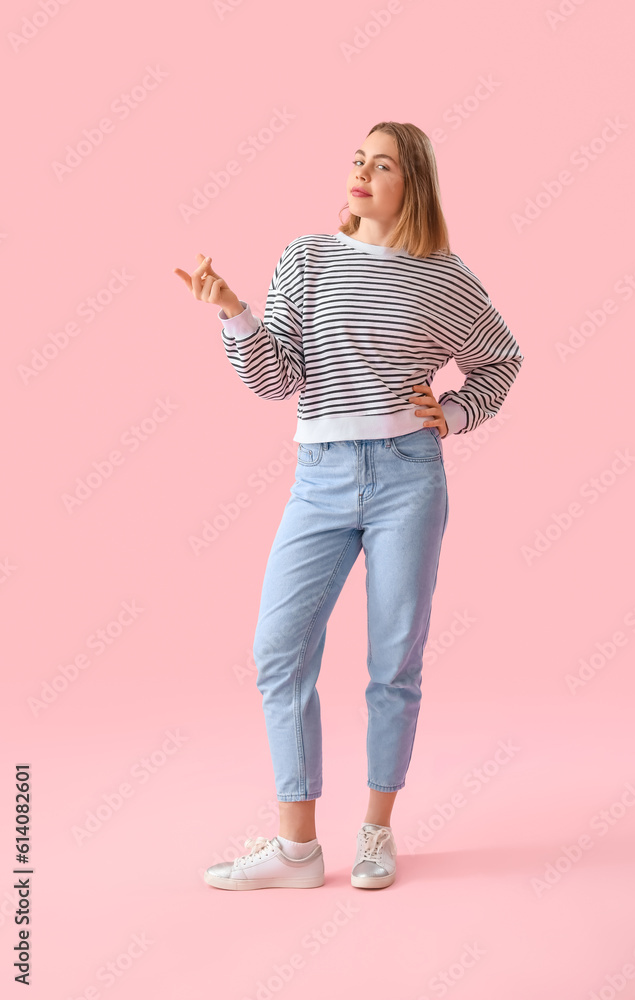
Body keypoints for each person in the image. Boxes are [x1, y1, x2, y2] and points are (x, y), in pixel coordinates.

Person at [174, 121, 524, 891]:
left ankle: (375, 833)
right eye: (357, 158)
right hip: (321, 478)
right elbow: (278, 377)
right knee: (279, 647)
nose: (361, 171)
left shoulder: (444, 276)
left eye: (383, 164)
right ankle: (297, 850)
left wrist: (457, 412)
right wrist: (232, 308)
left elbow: (501, 358)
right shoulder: (308, 257)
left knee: (393, 661)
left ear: (413, 184)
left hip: (408, 476)